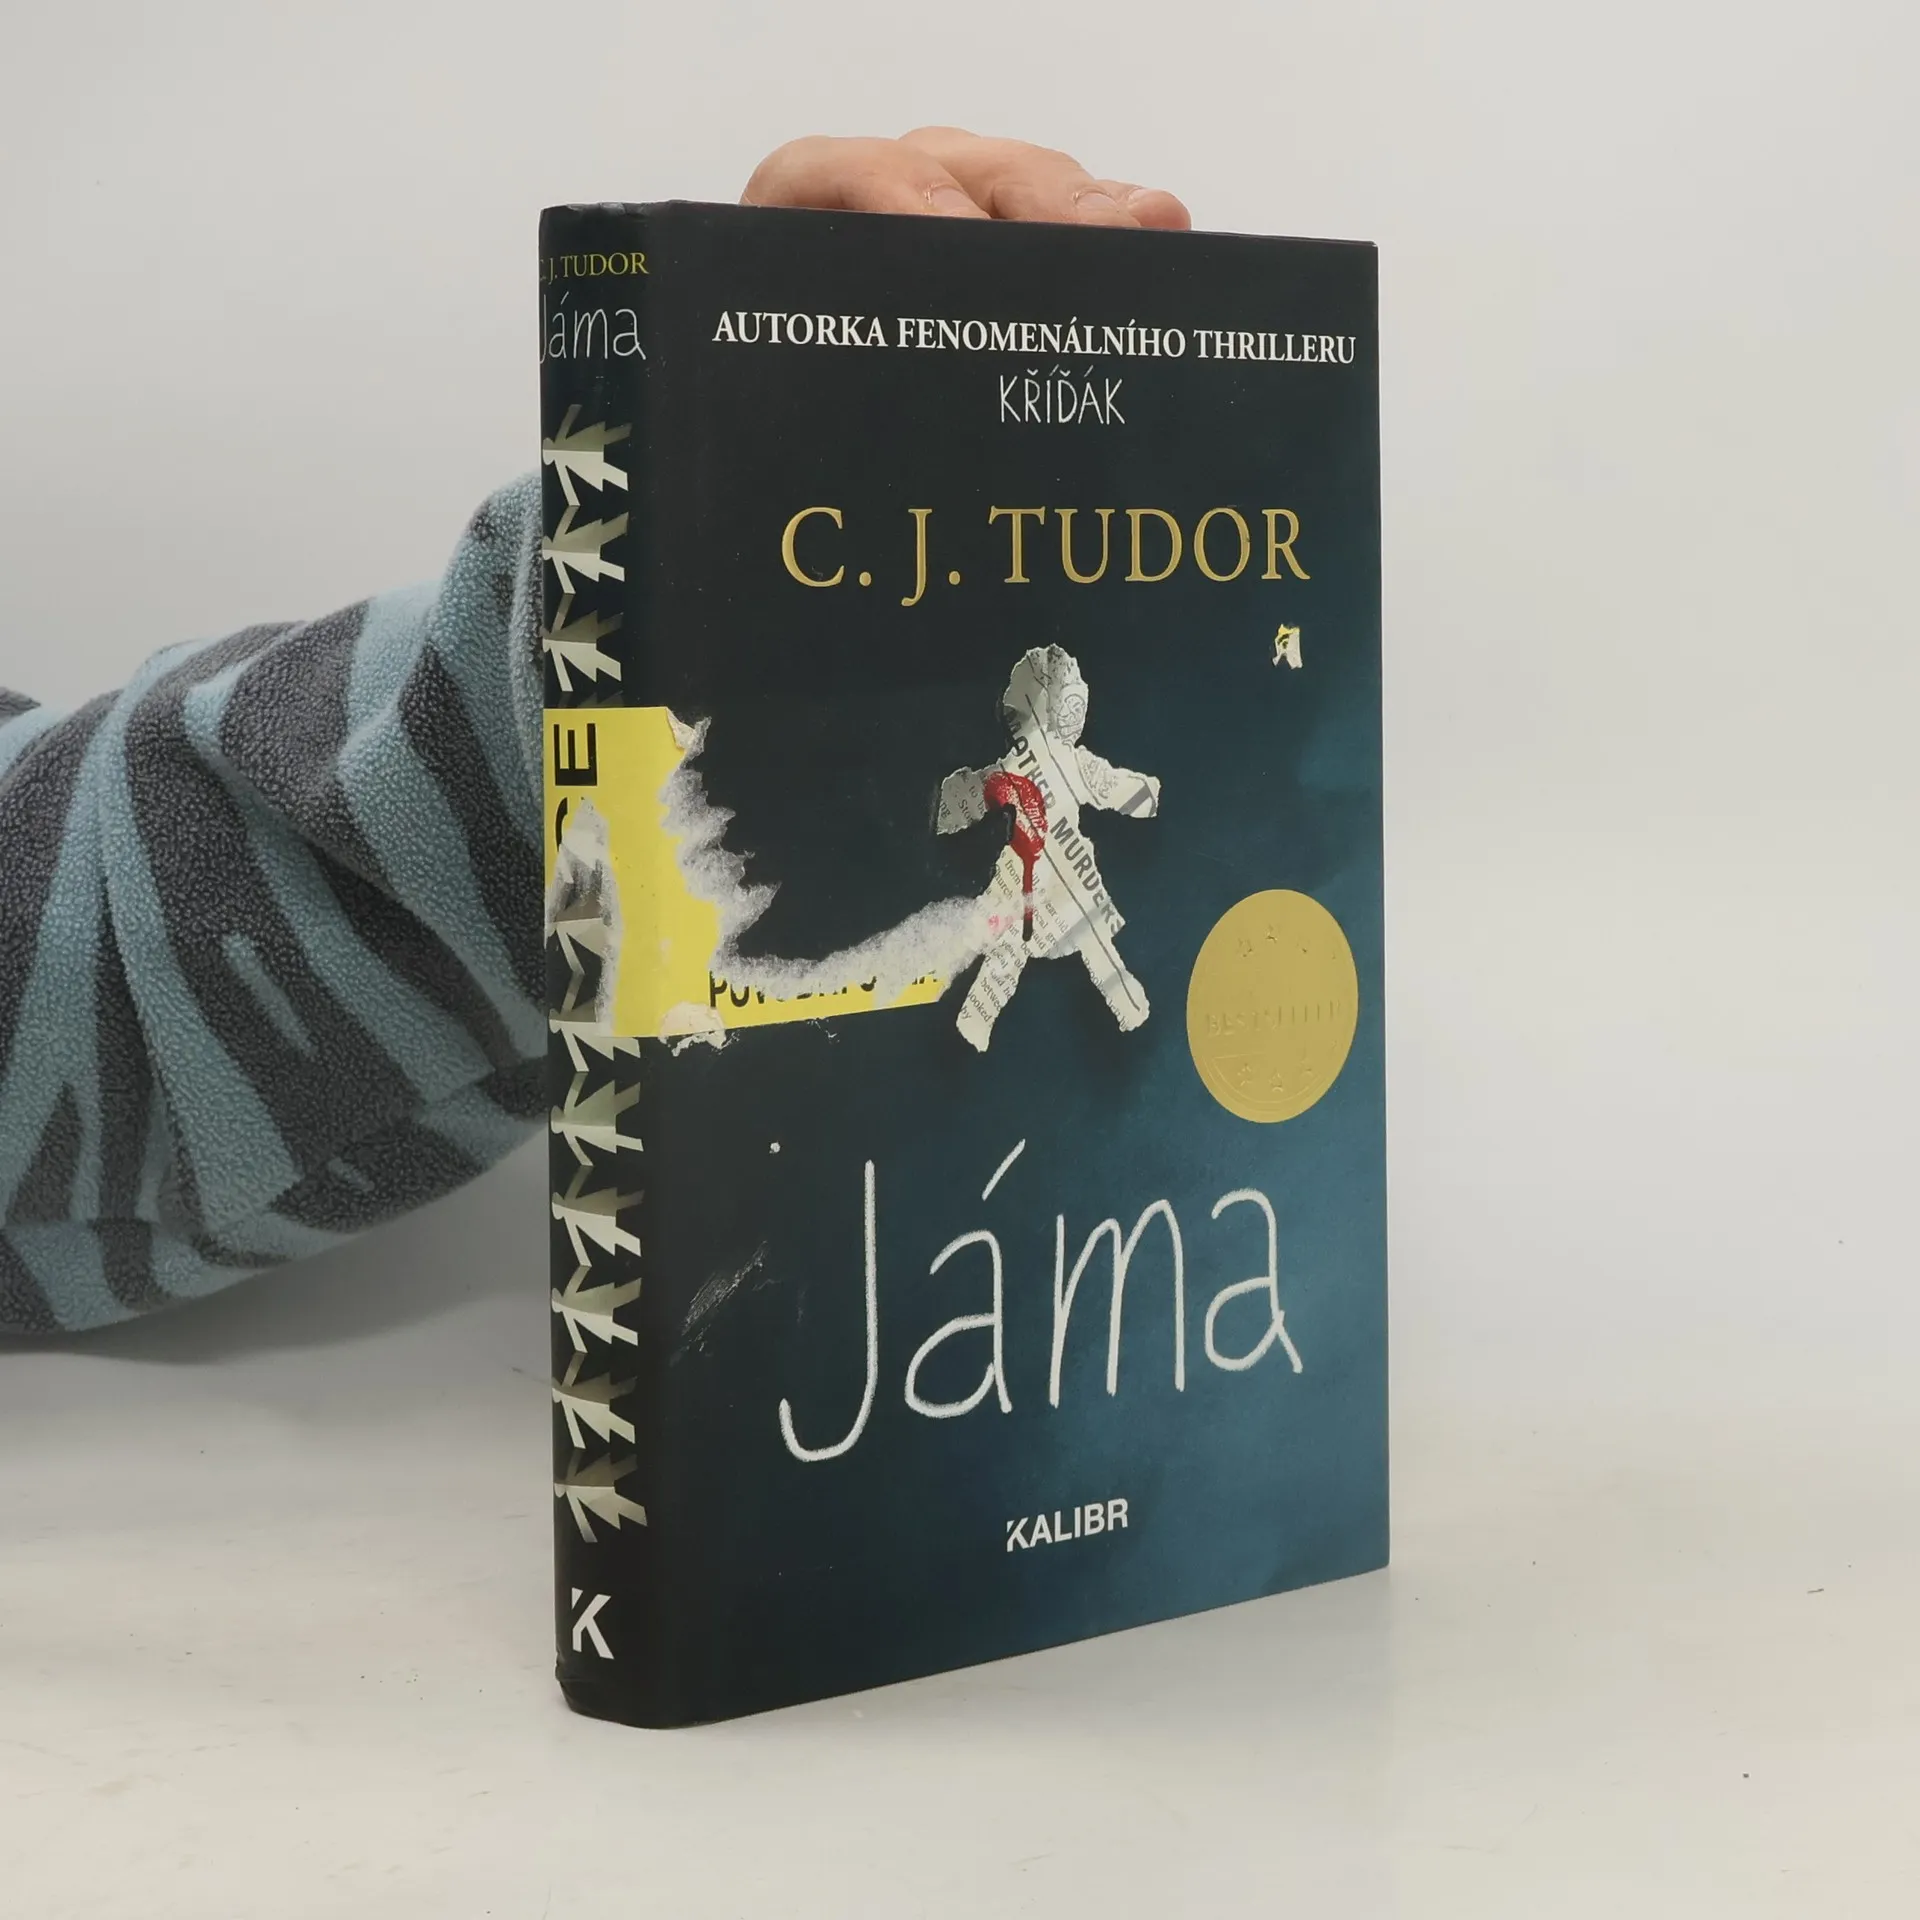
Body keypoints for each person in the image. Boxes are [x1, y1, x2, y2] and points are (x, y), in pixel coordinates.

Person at [0, 130, 1191, 1336]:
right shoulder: (1015, 769)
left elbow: (62, 924)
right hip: (969, 885)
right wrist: (641, 622)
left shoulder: (1034, 758)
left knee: (1069, 945)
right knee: (1024, 955)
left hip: (965, 875)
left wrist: (655, 586)